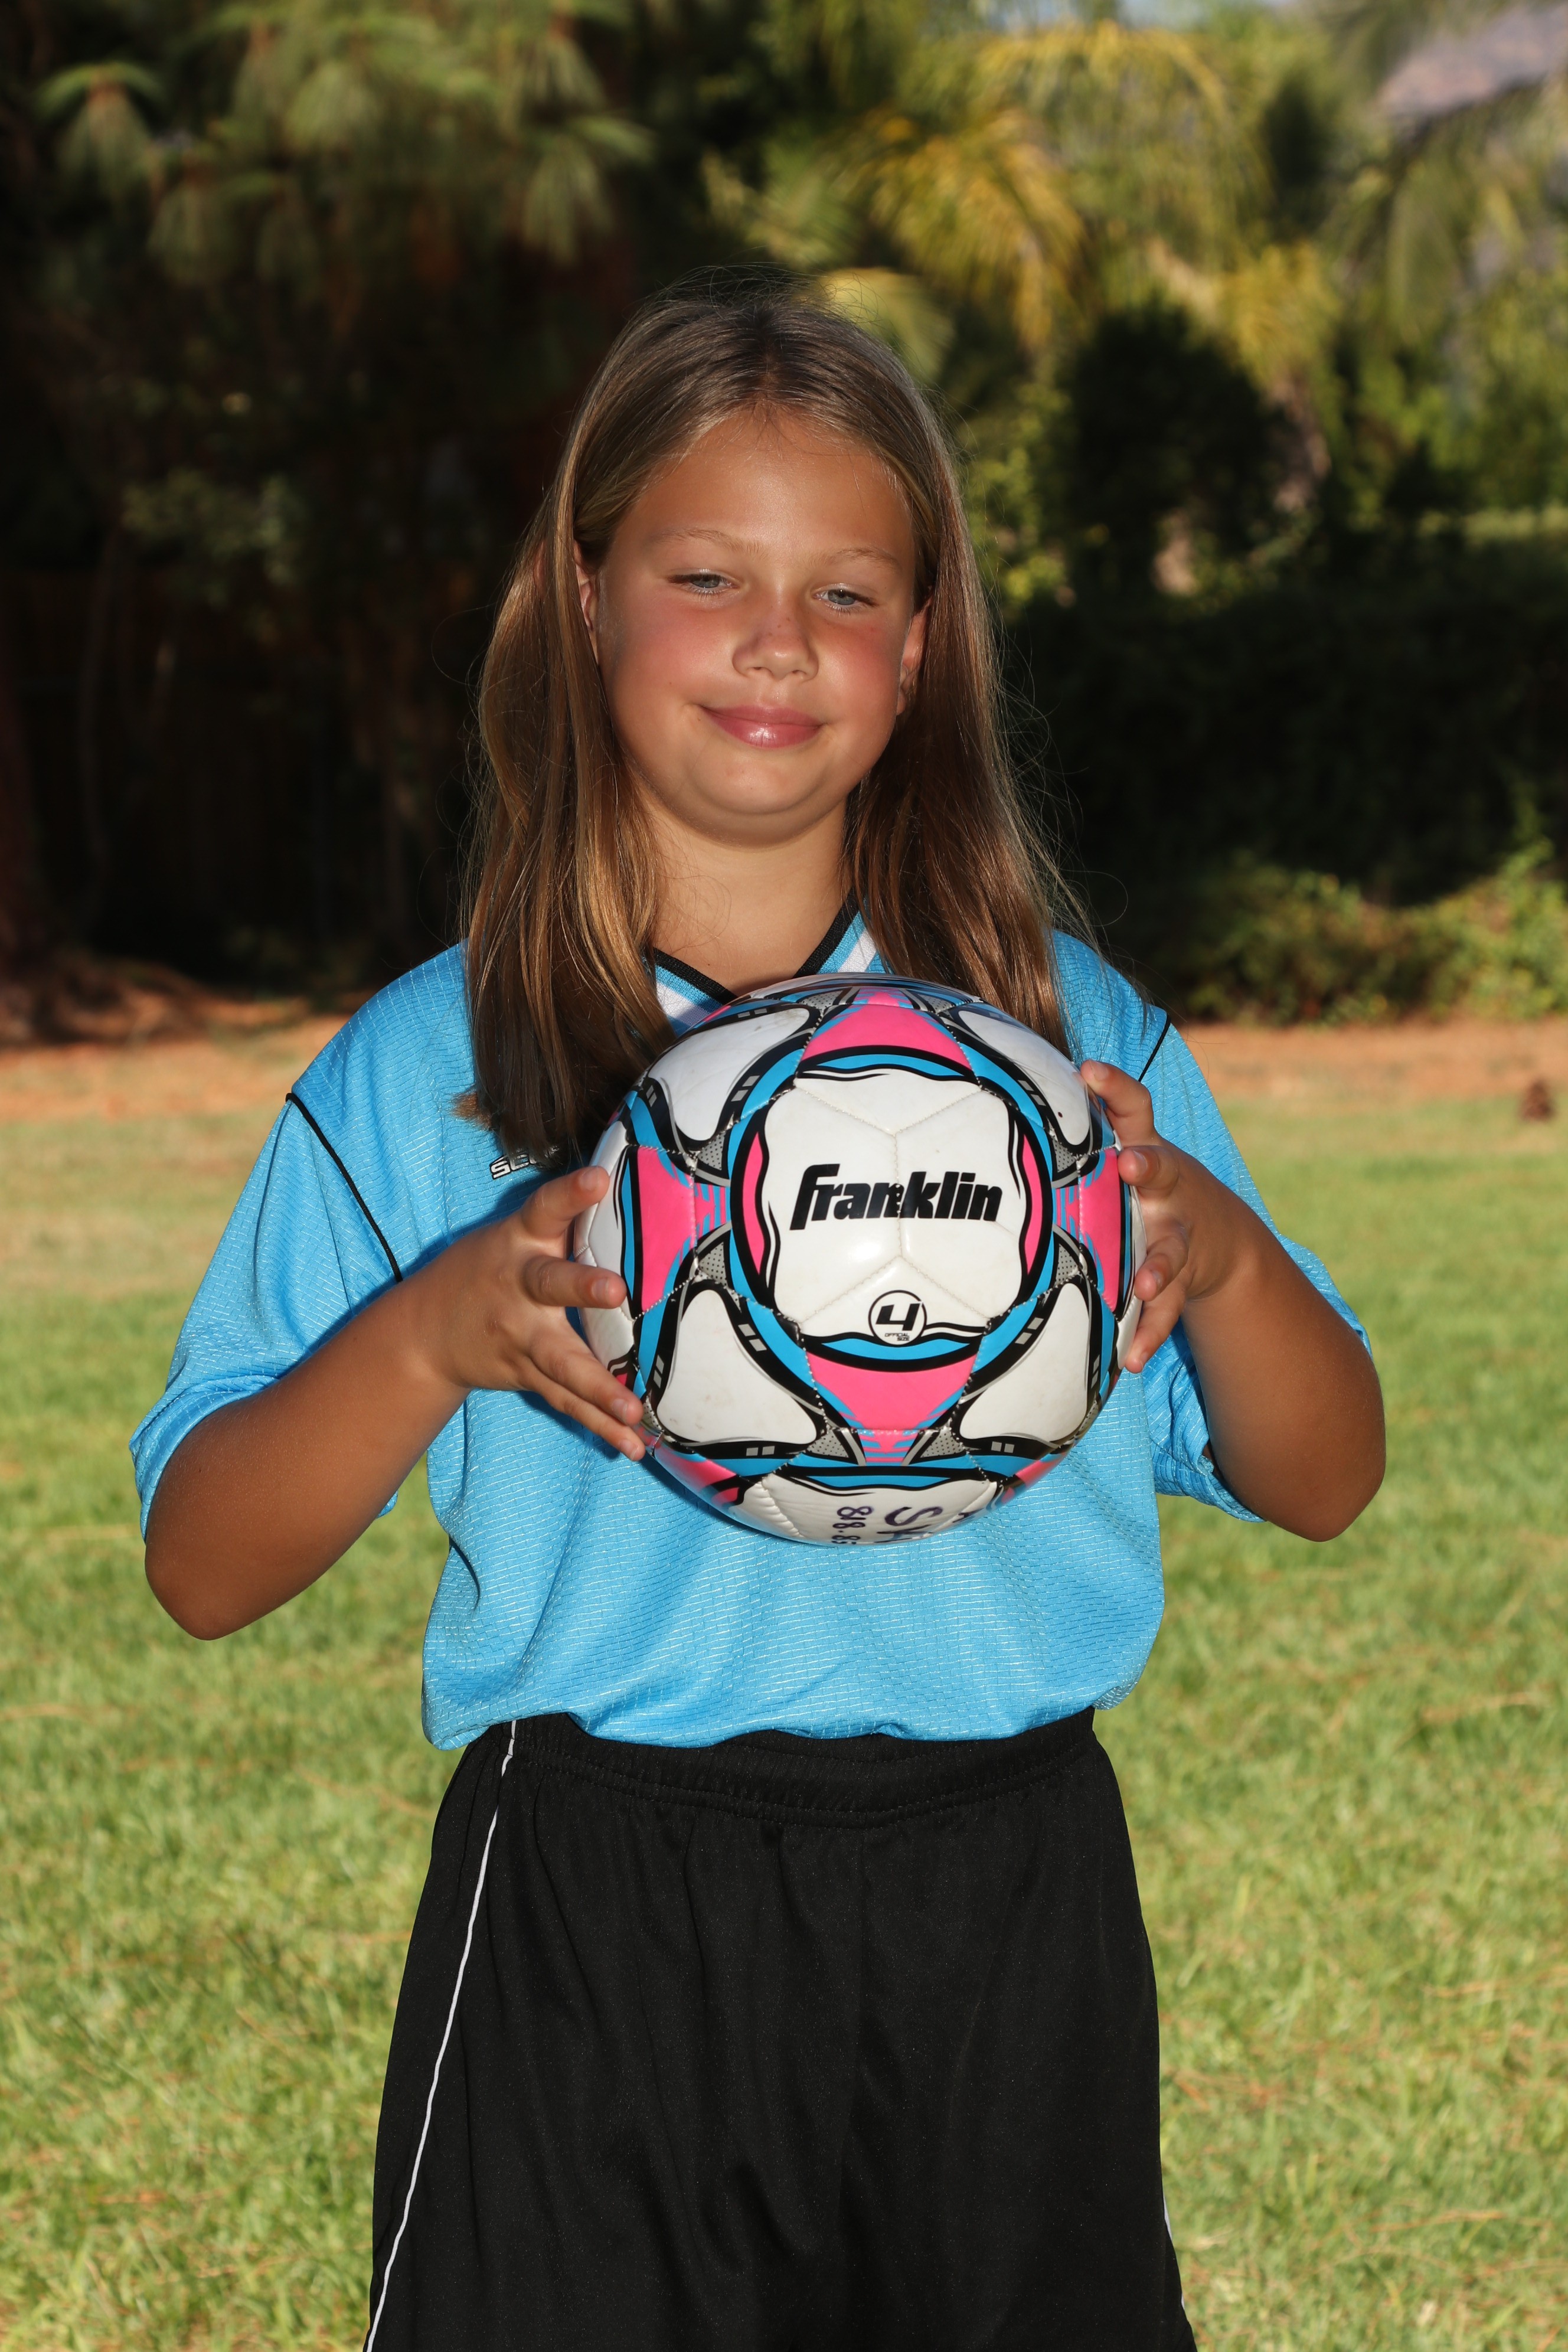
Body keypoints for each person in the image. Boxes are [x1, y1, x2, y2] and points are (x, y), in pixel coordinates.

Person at [133, 284, 1384, 2352]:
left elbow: (1327, 1478)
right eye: (707, 575)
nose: (778, 642)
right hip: (593, 1907)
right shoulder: (436, 1069)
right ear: (586, 596)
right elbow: (201, 1562)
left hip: (1011, 1903)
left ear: (926, 642)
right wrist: (432, 1334)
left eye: (847, 591)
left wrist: (1228, 1261)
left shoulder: (1071, 1056)